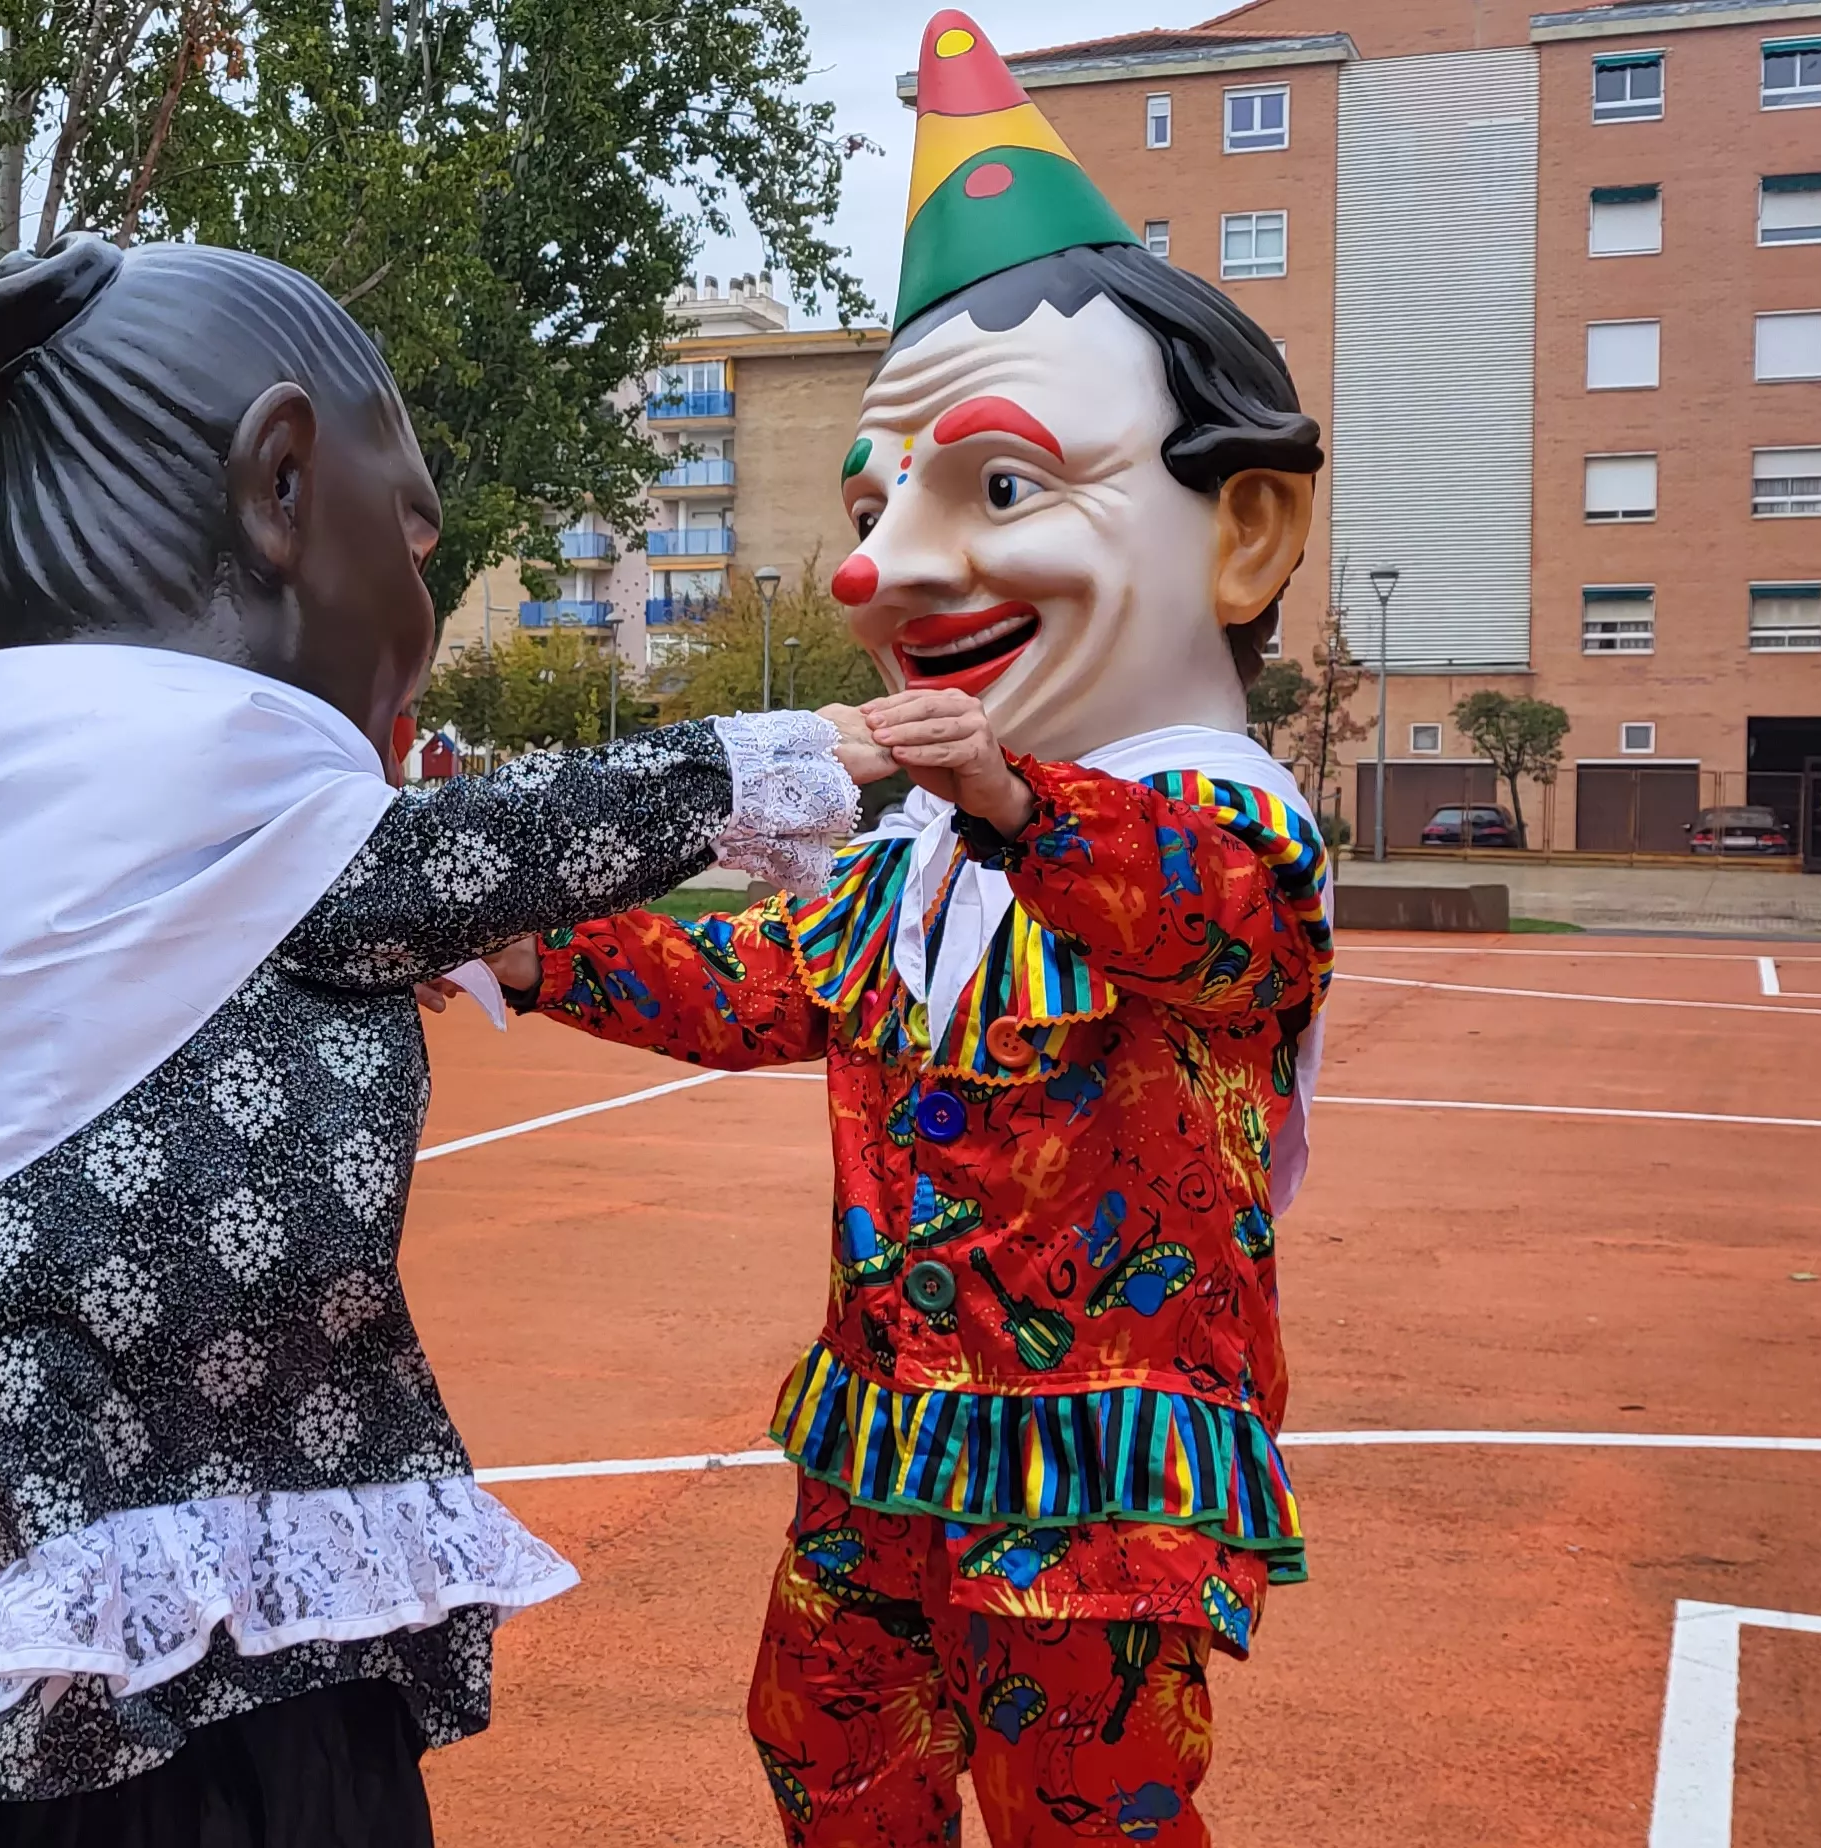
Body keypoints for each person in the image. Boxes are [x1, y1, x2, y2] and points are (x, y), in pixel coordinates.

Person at [0, 232, 878, 1845]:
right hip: (231, 1680)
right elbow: (491, 841)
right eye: (413, 538)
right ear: (280, 487)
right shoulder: (231, 811)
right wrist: (791, 752)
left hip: (41, 1626)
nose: (418, 601)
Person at [486, 16, 1334, 1843]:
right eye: (872, 507)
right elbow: (759, 977)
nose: (875, 569)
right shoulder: (930, 853)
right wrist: (528, 946)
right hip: (886, 1436)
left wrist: (1020, 803)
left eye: (998, 488)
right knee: (822, 1743)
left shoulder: (1223, 815)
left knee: (1085, 1803)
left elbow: (1215, 931)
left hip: (1099, 1458)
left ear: (1247, 531)